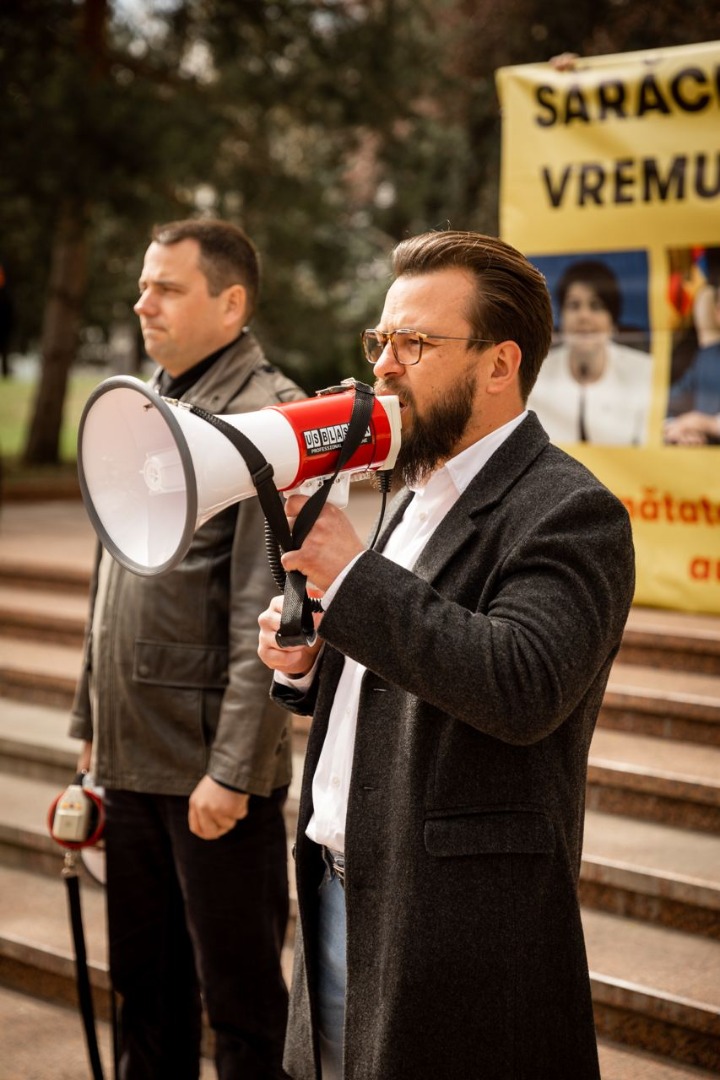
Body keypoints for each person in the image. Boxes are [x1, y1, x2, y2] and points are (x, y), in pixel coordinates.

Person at [257, 230, 636, 1080]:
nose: (384, 366)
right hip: (335, 891)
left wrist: (350, 578)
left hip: (451, 927)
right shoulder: (414, 486)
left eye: (415, 343)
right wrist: (316, 660)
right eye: (380, 340)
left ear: (500, 364)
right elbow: (415, 660)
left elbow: (520, 684)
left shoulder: (571, 509)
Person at [70, 218, 305, 1080]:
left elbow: (269, 604)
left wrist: (238, 769)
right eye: (144, 284)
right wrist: (89, 720)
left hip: (210, 769)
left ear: (230, 301)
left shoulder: (270, 416)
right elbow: (112, 573)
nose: (144, 302)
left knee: (242, 1010)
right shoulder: (140, 400)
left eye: (167, 286)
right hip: (130, 752)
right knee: (145, 995)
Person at [527, 258, 654, 445]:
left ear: (612, 320)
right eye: (574, 305)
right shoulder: (535, 374)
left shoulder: (645, 370)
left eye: (596, 306)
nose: (584, 316)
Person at [664, 280, 720, 445]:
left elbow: (699, 422)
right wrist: (676, 427)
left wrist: (707, 424)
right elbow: (669, 403)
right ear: (717, 313)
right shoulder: (707, 357)